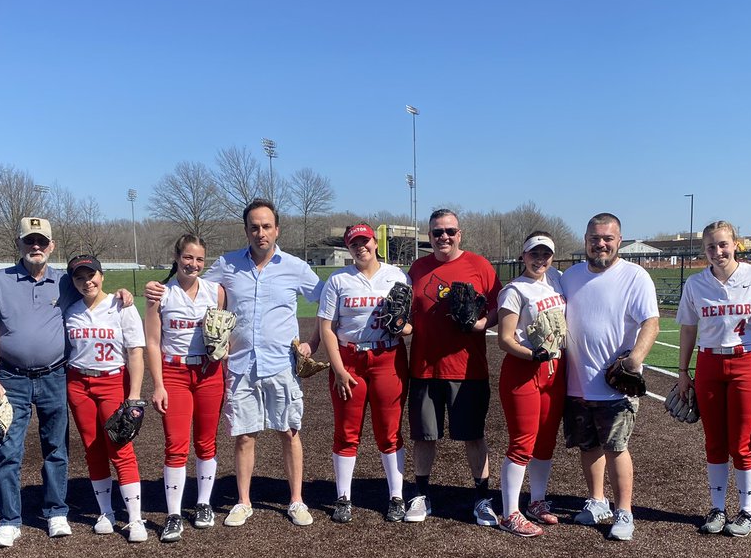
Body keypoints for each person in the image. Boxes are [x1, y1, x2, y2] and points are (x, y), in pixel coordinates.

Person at [146, 199, 323, 527]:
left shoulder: (295, 267)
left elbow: (327, 302)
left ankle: (296, 499)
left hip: (282, 363)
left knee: (289, 432)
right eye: (254, 227)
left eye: (266, 226)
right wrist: (157, 287)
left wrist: (312, 342)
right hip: (241, 364)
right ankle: (243, 502)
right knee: (244, 436)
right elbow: (192, 282)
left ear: (276, 229)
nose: (261, 233)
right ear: (246, 230)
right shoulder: (227, 265)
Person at [0, 217, 78, 549]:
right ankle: (9, 521)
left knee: (57, 448)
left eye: (42, 241)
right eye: (29, 241)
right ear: (19, 244)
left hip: (54, 376)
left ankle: (56, 512)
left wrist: (124, 295)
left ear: (52, 246)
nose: (36, 246)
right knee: (8, 450)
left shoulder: (65, 282)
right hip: (10, 379)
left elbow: (96, 297)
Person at [561, 213, 660, 542]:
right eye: (594, 238)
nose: (600, 244)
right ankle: (598, 502)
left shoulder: (634, 276)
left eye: (608, 238)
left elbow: (650, 323)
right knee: (588, 446)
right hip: (576, 381)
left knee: (616, 447)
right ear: (585, 240)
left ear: (619, 241)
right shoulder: (570, 276)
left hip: (614, 385)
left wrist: (634, 361)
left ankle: (624, 512)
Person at [673, 220, 751, 538]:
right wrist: (683, 372)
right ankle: (717, 507)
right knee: (714, 441)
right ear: (704, 250)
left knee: (741, 443)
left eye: (723, 244)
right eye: (710, 247)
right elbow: (688, 328)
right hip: (709, 364)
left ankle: (745, 512)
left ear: (735, 244)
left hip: (745, 362)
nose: (717, 251)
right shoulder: (696, 283)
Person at [405, 208, 503, 525]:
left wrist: (482, 324)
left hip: (468, 369)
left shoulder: (479, 266)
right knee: (424, 436)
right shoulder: (418, 268)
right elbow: (406, 314)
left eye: (450, 231)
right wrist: (399, 325)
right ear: (429, 235)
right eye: (437, 232)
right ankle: (421, 495)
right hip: (424, 367)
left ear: (459, 234)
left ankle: (482, 499)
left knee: (473, 436)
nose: (443, 237)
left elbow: (501, 305)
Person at [317, 224, 411, 523]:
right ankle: (343, 496)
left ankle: (396, 496)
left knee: (389, 429)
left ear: (375, 242)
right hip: (350, 358)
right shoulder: (338, 279)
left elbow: (410, 325)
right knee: (347, 430)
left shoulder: (396, 275)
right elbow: (327, 329)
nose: (361, 247)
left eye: (365, 241)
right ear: (348, 247)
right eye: (354, 243)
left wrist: (401, 326)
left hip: (388, 356)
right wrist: (339, 369)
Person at [145, 234, 227, 541]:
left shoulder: (215, 291)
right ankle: (174, 513)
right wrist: (158, 385)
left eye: (199, 259)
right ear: (177, 257)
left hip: (209, 372)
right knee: (176, 444)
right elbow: (153, 342)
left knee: (206, 442)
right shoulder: (161, 294)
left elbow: (225, 331)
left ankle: (204, 503)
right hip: (175, 372)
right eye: (188, 257)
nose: (193, 264)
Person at [64, 254, 148, 542]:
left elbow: (136, 351)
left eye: (92, 275)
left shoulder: (121, 306)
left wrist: (134, 396)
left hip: (113, 381)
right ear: (72, 281)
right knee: (92, 448)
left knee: (120, 448)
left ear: (102, 276)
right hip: (78, 383)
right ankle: (106, 512)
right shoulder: (70, 309)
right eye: (79, 277)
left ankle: (135, 518)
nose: (87, 281)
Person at [495, 231, 567, 538]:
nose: (540, 260)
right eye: (534, 254)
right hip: (524, 369)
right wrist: (530, 353)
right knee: (523, 441)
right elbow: (504, 339)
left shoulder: (557, 280)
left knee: (546, 440)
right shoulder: (514, 290)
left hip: (555, 369)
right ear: (523, 256)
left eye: (545, 254)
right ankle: (510, 512)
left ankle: (536, 500)